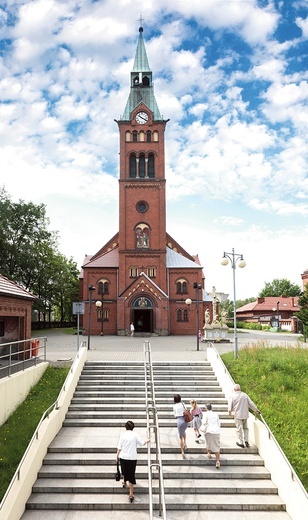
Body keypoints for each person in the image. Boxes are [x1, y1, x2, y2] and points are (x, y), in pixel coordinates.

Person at [116, 420, 150, 502]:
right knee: (131, 475)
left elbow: (119, 447)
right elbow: (142, 443)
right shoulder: (135, 435)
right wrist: (147, 440)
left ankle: (124, 482)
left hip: (123, 457)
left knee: (124, 470)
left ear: (125, 427)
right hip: (132, 458)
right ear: (133, 427)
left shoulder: (122, 435)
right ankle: (131, 494)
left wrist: (117, 456)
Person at [228, 383, 261, 448]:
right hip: (245, 415)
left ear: (234, 389)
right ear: (239, 389)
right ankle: (246, 441)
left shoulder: (232, 396)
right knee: (245, 428)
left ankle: (241, 442)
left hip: (237, 415)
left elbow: (230, 406)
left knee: (239, 429)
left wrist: (229, 412)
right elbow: (251, 403)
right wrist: (256, 410)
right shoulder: (244, 395)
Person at [200, 403, 221, 468]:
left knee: (208, 442)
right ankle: (217, 461)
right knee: (217, 446)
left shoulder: (205, 414)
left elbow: (204, 422)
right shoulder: (216, 414)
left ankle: (209, 454)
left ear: (206, 408)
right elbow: (219, 423)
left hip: (208, 431)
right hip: (216, 431)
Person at [173, 394, 188, 459]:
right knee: (183, 431)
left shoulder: (174, 406)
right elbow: (186, 410)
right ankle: (185, 443)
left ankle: (182, 451)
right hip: (185, 420)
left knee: (180, 436)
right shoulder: (183, 404)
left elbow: (175, 415)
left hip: (179, 420)